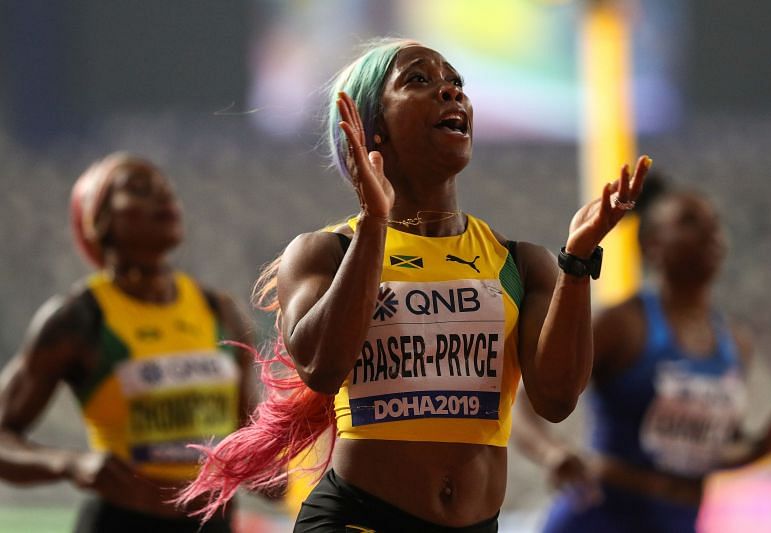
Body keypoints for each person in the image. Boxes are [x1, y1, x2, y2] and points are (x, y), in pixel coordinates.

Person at [180, 38, 650, 532]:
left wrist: (576, 262)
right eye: (419, 80)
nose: (450, 92)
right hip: (358, 520)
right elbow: (321, 367)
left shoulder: (520, 263)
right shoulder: (325, 252)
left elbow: (556, 401)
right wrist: (374, 223)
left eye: (456, 84)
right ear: (372, 129)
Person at [512, 176, 771, 533]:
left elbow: (711, 452)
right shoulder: (622, 324)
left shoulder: (735, 343)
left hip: (680, 521)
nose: (711, 232)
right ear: (652, 245)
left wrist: (764, 446)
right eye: (690, 222)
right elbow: (525, 401)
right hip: (600, 518)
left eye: (716, 224)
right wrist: (552, 453)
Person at [0, 152, 255, 533]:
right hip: (123, 522)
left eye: (166, 190)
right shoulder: (78, 319)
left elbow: (248, 431)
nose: (164, 198)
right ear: (99, 221)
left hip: (213, 523)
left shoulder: (219, 310)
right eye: (139, 189)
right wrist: (69, 464)